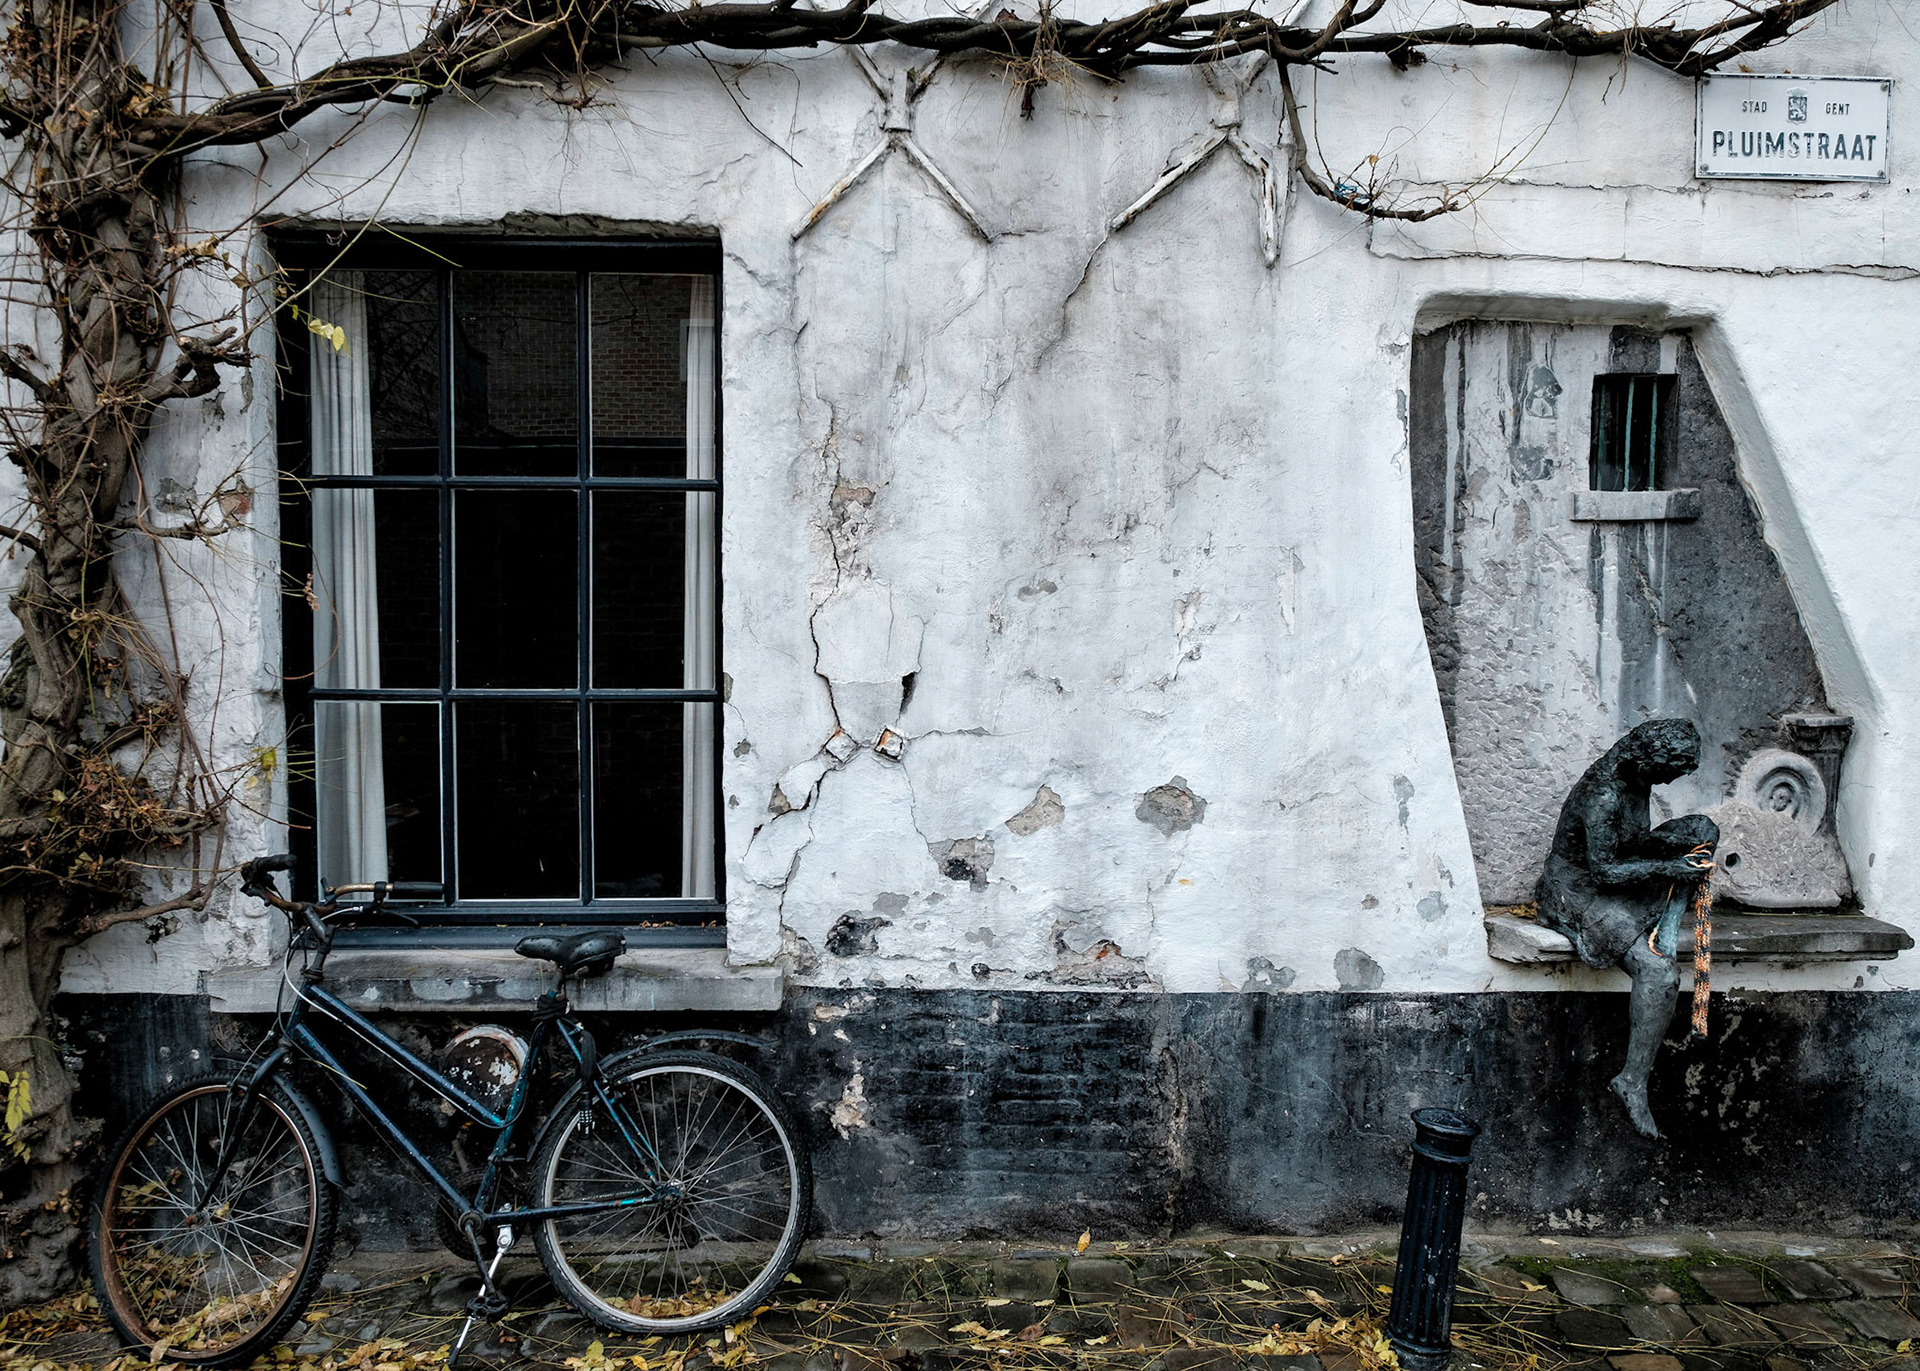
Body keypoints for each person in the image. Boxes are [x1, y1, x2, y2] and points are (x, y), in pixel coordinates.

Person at [1536, 719, 1718, 1139]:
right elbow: (1603, 871)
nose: (1670, 782)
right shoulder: (1603, 795)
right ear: (1650, 760)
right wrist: (1670, 867)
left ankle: (1668, 919)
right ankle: (1632, 1081)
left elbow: (1631, 840)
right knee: (1659, 973)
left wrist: (1674, 850)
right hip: (1579, 889)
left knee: (1702, 831)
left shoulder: (1636, 776)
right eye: (1669, 772)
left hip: (1616, 870)